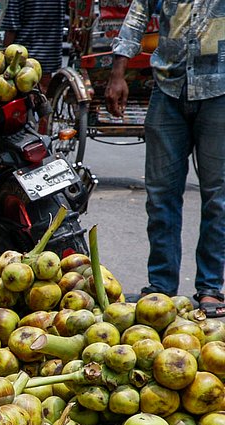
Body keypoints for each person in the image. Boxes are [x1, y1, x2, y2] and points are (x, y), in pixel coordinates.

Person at [107, 0, 225, 306]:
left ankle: (210, 288)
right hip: (168, 88)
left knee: (218, 197)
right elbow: (136, 18)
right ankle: (161, 285)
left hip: (219, 91)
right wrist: (117, 73)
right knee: (160, 195)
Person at [3, 0, 64, 81]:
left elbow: (11, 27)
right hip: (50, 58)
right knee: (45, 89)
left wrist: (4, 58)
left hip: (23, 60)